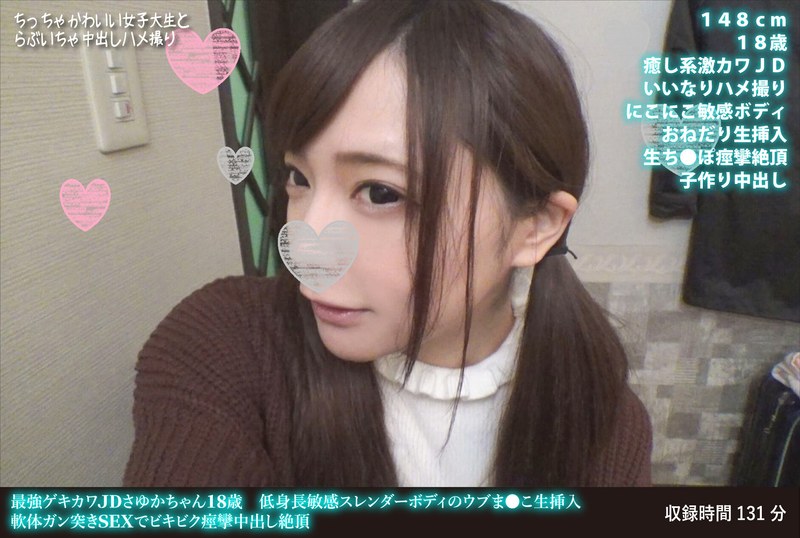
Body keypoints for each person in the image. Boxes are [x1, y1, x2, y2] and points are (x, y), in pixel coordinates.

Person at [123, 0, 652, 487]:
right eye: (299, 178)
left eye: (381, 192)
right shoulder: (226, 344)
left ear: (535, 225)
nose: (305, 252)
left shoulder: (603, 423)